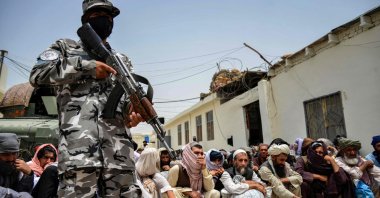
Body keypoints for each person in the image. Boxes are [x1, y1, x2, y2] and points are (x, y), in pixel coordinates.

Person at [29, 0, 144, 197]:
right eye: (98, 14)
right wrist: (86, 67)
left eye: (109, 17)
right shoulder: (65, 48)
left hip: (118, 153)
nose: (106, 20)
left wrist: (132, 113)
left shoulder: (121, 60)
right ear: (85, 20)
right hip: (79, 152)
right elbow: (37, 74)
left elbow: (123, 101)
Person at [0, 133, 34, 198]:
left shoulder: (17, 168)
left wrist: (28, 174)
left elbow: (23, 191)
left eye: (14, 154)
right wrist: (12, 194)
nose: (11, 158)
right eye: (5, 154)